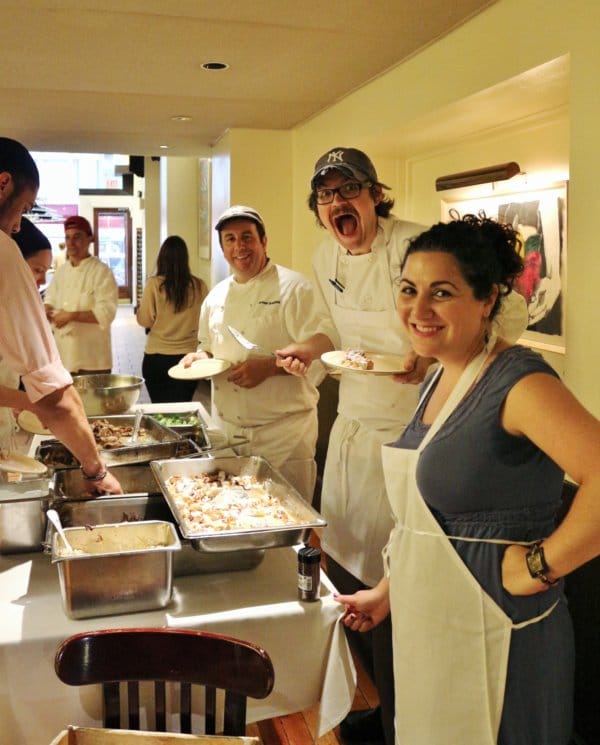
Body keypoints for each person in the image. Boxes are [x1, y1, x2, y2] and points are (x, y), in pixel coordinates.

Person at [276, 147, 529, 745]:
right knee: (345, 566)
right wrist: (311, 349)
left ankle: (399, 706)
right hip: (354, 427)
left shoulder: (416, 243)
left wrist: (429, 353)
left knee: (405, 578)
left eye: (350, 190)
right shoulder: (323, 255)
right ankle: (371, 695)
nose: (339, 203)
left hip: (414, 429)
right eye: (327, 195)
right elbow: (336, 331)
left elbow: (509, 311)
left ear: (374, 195)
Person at [335, 213, 600, 745]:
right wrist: (388, 590)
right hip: (433, 623)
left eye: (442, 292)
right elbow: (431, 520)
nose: (418, 309)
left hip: (500, 631)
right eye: (409, 289)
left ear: (487, 300)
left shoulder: (520, 382)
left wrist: (538, 567)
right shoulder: (440, 374)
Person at [0, 136, 121, 493]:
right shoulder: (4, 254)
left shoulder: (100, 271)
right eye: (23, 208)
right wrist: (96, 471)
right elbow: (56, 399)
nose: (20, 225)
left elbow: (105, 313)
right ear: (3, 183)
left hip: (86, 356)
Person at [180, 205, 321, 501]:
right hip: (228, 431)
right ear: (222, 248)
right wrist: (200, 358)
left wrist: (269, 367)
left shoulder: (295, 288)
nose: (239, 247)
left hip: (283, 434)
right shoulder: (215, 296)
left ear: (264, 241)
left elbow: (319, 357)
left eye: (247, 237)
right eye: (230, 240)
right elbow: (206, 344)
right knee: (235, 517)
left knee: (287, 523)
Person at [136, 235, 208, 402]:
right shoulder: (199, 286)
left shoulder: (154, 285)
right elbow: (207, 322)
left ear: (162, 258)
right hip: (188, 358)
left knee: (160, 410)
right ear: (185, 259)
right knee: (182, 408)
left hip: (156, 358)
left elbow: (145, 321)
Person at [44, 215, 118, 374]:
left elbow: (106, 313)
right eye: (68, 238)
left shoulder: (101, 272)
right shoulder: (62, 271)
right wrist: (46, 309)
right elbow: (50, 298)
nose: (71, 243)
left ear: (90, 239)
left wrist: (71, 316)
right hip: (63, 358)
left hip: (93, 361)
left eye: (77, 237)